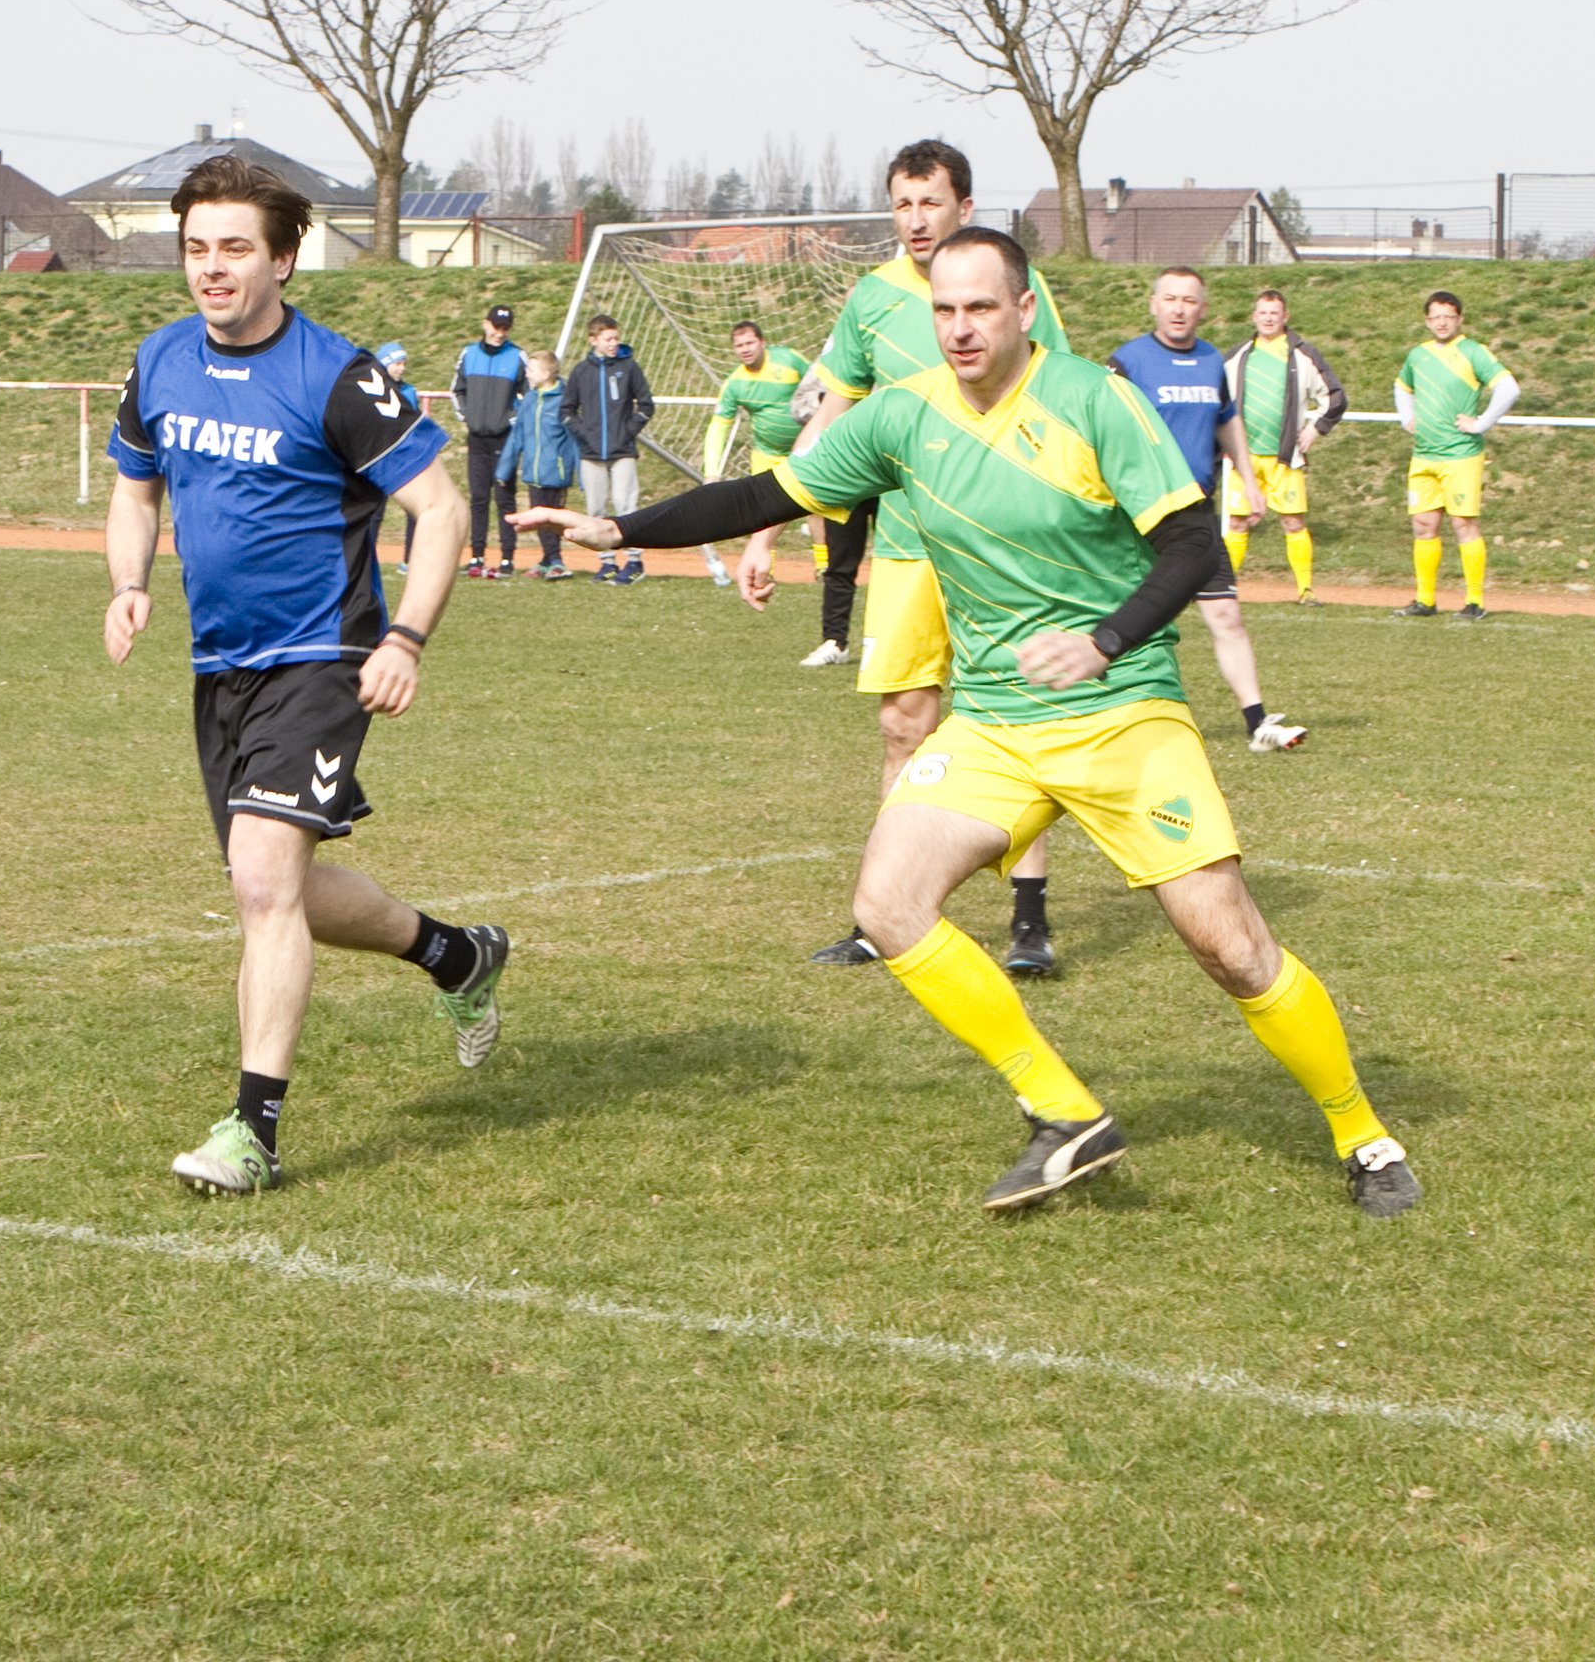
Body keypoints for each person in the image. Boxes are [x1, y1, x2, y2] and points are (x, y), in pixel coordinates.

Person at [515, 226, 1419, 1217]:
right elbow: (768, 489)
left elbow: (1193, 539)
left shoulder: (1091, 399)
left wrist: (1106, 640)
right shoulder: (901, 418)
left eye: (979, 307)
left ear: (1025, 311)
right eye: (943, 309)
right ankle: (1064, 1111)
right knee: (889, 903)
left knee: (1230, 947)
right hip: (994, 723)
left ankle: (1361, 1135)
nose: (958, 328)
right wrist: (619, 526)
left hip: (1124, 713)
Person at [103, 153, 509, 1197]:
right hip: (219, 665)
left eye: (236, 247)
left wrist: (405, 637)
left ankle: (253, 1132)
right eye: (197, 246)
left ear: (284, 257)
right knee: (281, 889)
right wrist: (127, 582)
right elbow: (135, 488)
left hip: (323, 656)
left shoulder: (338, 375)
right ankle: (455, 955)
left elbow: (445, 508)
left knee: (262, 883)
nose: (213, 267)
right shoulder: (157, 362)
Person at [775, 138, 1072, 974]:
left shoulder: (1017, 289)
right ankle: (886, 916)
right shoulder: (870, 300)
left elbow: (1057, 396)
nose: (915, 220)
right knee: (902, 725)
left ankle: (1029, 922)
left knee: (1018, 724)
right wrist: (766, 526)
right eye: (902, 205)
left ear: (964, 208)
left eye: (930, 203)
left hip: (999, 550)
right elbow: (831, 412)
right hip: (906, 549)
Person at [1108, 267, 1308, 752]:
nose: (1179, 308)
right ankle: (1099, 718)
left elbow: (1226, 419)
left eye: (1189, 300)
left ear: (1203, 308)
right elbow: (1102, 431)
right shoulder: (1127, 362)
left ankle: (1257, 723)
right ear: (1154, 304)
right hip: (1137, 514)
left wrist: (1249, 479)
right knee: (1129, 619)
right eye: (1170, 298)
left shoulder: (1210, 360)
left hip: (1196, 514)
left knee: (1226, 617)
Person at [1393, 290, 1519, 620]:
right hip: (1423, 455)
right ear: (1427, 321)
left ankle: (1474, 602)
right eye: (1435, 317)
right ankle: (1425, 600)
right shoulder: (1417, 355)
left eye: (1448, 316)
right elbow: (1401, 387)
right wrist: (1407, 417)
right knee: (1423, 526)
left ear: (1460, 319)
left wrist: (1482, 423)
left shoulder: (1472, 352)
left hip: (1461, 455)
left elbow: (1508, 387)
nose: (1442, 323)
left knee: (1463, 525)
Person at [1223, 287, 1347, 602]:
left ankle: (1305, 589)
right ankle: (1225, 588)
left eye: (1274, 313)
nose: (1268, 318)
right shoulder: (1237, 355)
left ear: (1285, 317)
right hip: (1244, 457)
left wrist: (1314, 430)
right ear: (1254, 317)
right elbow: (1217, 400)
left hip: (1284, 458)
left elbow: (1335, 397)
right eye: (1262, 313)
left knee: (1293, 522)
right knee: (1237, 522)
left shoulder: (1302, 354)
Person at [701, 318, 821, 589]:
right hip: (767, 453)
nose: (744, 349)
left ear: (762, 342)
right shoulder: (735, 383)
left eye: (749, 343)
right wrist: (711, 472)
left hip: (805, 448)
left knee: (816, 505)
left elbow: (819, 383)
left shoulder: (789, 361)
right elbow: (719, 426)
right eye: (739, 345)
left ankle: (823, 567)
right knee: (766, 514)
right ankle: (766, 570)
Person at [561, 312, 656, 584]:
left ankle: (635, 562)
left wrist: (628, 431)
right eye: (608, 338)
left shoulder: (629, 367)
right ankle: (607, 564)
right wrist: (584, 434)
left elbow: (646, 405)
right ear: (593, 340)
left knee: (627, 507)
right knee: (595, 510)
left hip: (623, 451)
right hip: (591, 454)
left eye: (616, 337)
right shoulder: (581, 371)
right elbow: (567, 410)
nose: (614, 343)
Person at [449, 303, 528, 578]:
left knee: (505, 499)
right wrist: (466, 416)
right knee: (478, 499)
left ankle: (507, 558)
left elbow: (527, 397)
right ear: (486, 324)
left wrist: (511, 420)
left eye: (506, 328)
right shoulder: (469, 354)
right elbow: (457, 390)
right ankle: (476, 556)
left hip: (504, 440)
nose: (500, 333)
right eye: (496, 327)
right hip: (477, 439)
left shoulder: (518, 357)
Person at [496, 346, 577, 579]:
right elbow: (517, 437)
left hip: (555, 473)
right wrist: (504, 469)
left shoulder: (564, 402)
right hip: (534, 472)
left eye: (531, 370)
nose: (527, 374)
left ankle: (556, 561)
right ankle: (547, 560)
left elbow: (573, 441)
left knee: (551, 519)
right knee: (538, 519)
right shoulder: (530, 400)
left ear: (546, 374)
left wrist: (577, 473)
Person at [373, 342, 425, 574]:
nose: (401, 368)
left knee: (414, 511)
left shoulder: (409, 392)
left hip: (402, 460)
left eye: (404, 364)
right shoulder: (371, 390)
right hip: (377, 459)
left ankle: (410, 559)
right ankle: (366, 558)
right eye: (397, 363)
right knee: (373, 513)